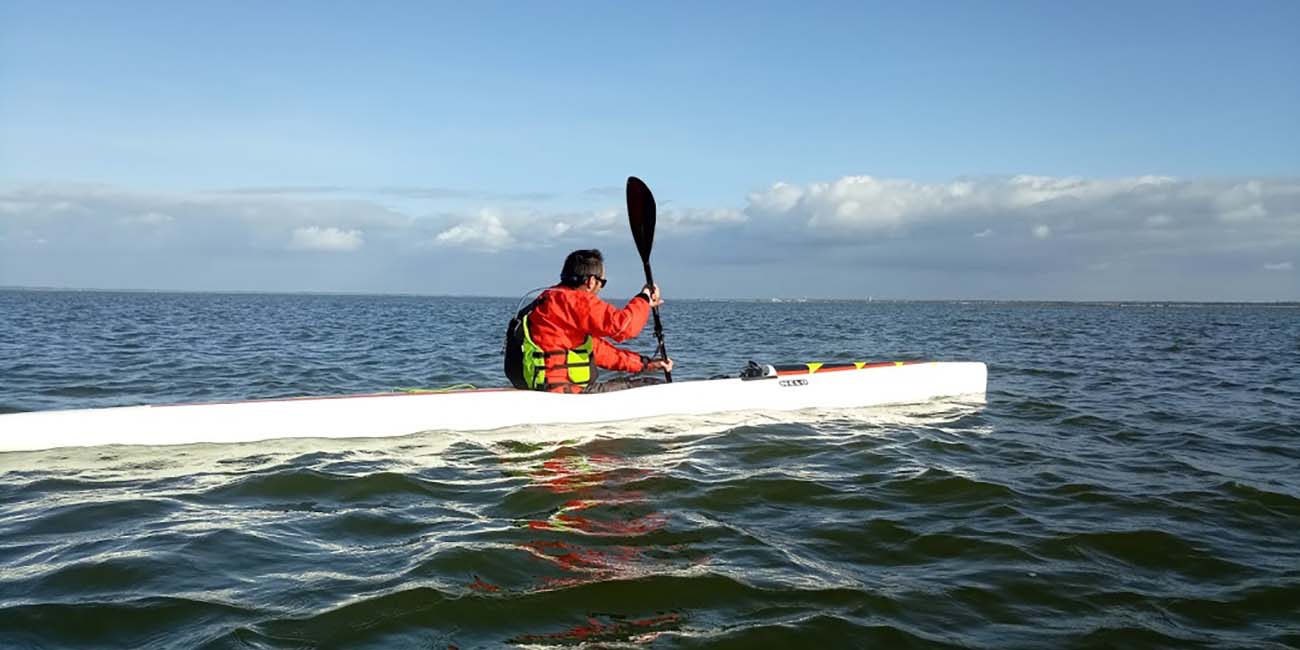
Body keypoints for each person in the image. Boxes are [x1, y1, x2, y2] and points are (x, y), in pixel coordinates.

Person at [508, 249, 673, 393]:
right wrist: (643, 299)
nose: (600, 289)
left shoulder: (548, 300)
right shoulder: (575, 301)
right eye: (602, 282)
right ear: (591, 281)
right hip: (566, 393)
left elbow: (600, 352)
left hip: (544, 389)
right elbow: (623, 327)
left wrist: (647, 364)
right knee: (653, 386)